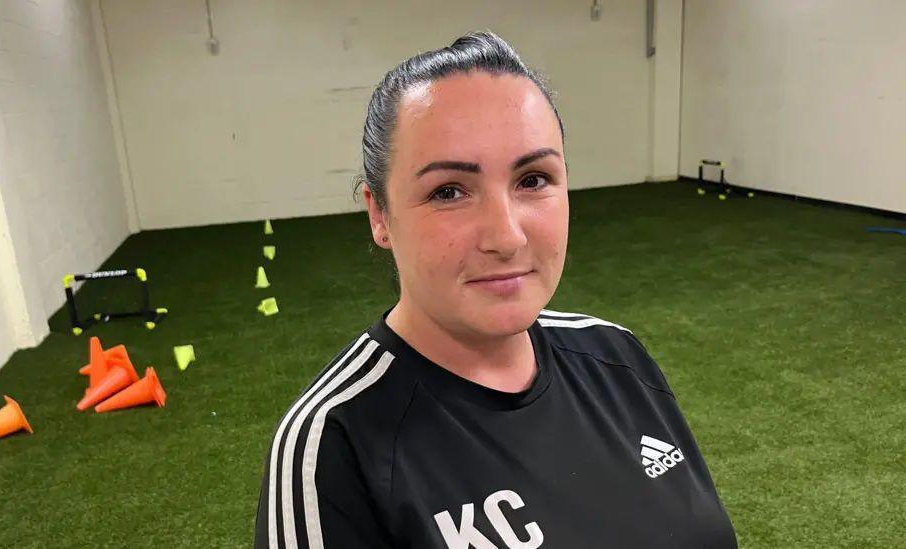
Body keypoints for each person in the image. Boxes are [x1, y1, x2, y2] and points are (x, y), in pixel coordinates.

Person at [254, 31, 737, 548]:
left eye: (532, 179)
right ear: (380, 215)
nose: (506, 237)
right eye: (449, 191)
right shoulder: (334, 443)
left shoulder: (617, 357)